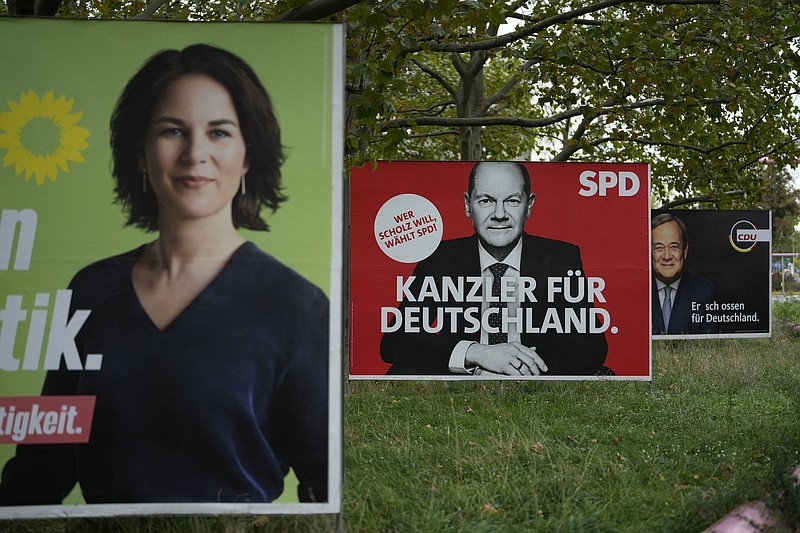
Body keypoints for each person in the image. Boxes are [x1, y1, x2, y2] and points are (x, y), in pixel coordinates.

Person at [0, 44, 328, 505]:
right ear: (139, 151)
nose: (196, 153)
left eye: (219, 132)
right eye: (173, 130)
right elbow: (42, 467)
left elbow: (323, 480)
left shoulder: (298, 305)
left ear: (248, 155)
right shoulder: (91, 291)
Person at [380, 161, 608, 376]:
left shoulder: (561, 257)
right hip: (462, 379)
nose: (499, 215)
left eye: (512, 201)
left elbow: (592, 346)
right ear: (468, 205)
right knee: (398, 372)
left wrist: (515, 368)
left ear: (529, 206)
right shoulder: (440, 257)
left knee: (604, 375)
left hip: (535, 379)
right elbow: (395, 342)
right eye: (486, 201)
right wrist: (476, 354)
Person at [651, 212, 717, 334]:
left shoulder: (704, 291)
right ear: (649, 251)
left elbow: (710, 345)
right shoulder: (637, 290)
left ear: (685, 251)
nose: (667, 256)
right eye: (659, 248)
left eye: (674, 247)